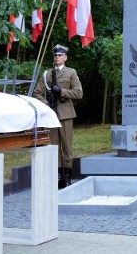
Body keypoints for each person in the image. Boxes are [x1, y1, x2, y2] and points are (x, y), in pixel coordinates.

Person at [33, 44, 83, 189]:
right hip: (52, 115)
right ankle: (58, 176)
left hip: (66, 114)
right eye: (55, 55)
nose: (57, 57)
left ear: (65, 57)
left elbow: (79, 93)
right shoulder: (47, 74)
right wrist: (46, 104)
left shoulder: (71, 73)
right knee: (54, 146)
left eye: (60, 55)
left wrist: (61, 91)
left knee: (67, 146)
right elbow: (37, 93)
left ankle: (67, 175)